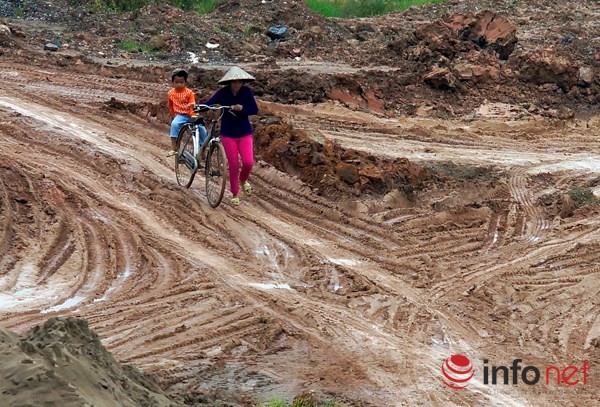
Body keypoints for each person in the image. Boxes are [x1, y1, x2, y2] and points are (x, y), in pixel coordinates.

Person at [203, 66, 259, 207]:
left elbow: (254, 109)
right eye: (234, 82)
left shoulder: (247, 92)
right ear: (229, 83)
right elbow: (210, 103)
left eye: (239, 82)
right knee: (233, 164)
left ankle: (243, 179)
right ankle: (235, 193)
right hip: (228, 134)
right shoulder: (223, 93)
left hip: (244, 132)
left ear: (242, 82)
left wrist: (242, 108)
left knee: (248, 162)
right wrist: (197, 107)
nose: (236, 85)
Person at [166, 68, 206, 157]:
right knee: (174, 124)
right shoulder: (170, 94)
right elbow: (171, 106)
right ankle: (174, 148)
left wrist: (192, 106)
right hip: (181, 115)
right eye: (177, 82)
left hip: (192, 114)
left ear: (185, 82)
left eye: (181, 82)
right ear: (173, 82)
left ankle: (202, 149)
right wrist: (174, 116)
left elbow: (192, 103)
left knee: (202, 129)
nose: (179, 84)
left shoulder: (189, 92)